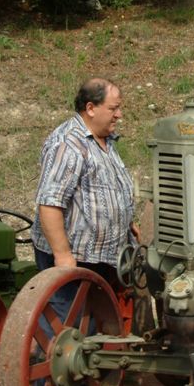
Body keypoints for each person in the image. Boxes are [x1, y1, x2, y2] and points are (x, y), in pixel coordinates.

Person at [32, 77, 139, 279]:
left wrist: (128, 223)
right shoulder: (68, 144)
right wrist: (63, 256)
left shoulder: (104, 140)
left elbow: (105, 190)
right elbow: (49, 204)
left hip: (102, 262)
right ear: (91, 108)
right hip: (74, 262)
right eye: (113, 108)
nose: (119, 115)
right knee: (70, 311)